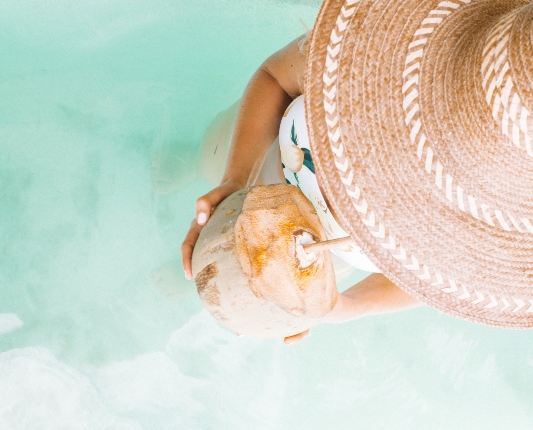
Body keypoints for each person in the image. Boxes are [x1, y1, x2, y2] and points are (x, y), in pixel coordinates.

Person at [180, 33, 420, 344]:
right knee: (207, 154)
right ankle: (189, 165)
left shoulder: (476, 227)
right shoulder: (378, 55)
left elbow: (432, 285)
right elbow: (275, 78)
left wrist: (343, 305)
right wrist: (236, 178)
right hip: (261, 153)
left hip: (328, 256)